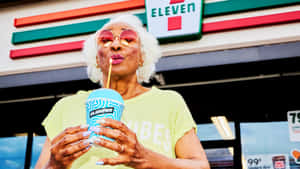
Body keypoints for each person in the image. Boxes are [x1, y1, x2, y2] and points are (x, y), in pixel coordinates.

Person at [35, 14, 210, 169]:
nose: (116, 45)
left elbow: (201, 166)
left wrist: (148, 159)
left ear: (142, 57)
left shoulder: (170, 102)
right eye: (106, 40)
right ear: (97, 58)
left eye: (128, 39)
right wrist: (54, 166)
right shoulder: (65, 107)